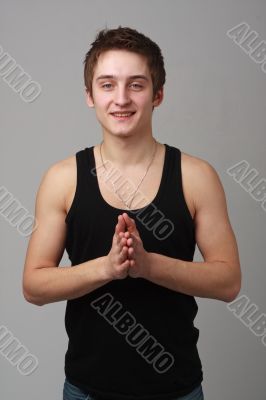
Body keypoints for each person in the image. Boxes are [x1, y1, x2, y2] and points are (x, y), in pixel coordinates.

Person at [23, 26, 241, 400]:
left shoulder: (195, 176)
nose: (121, 98)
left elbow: (229, 281)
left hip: (177, 390)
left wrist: (147, 265)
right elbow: (34, 286)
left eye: (136, 85)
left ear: (158, 95)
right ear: (89, 95)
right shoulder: (62, 179)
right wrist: (108, 268)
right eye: (107, 85)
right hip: (86, 390)